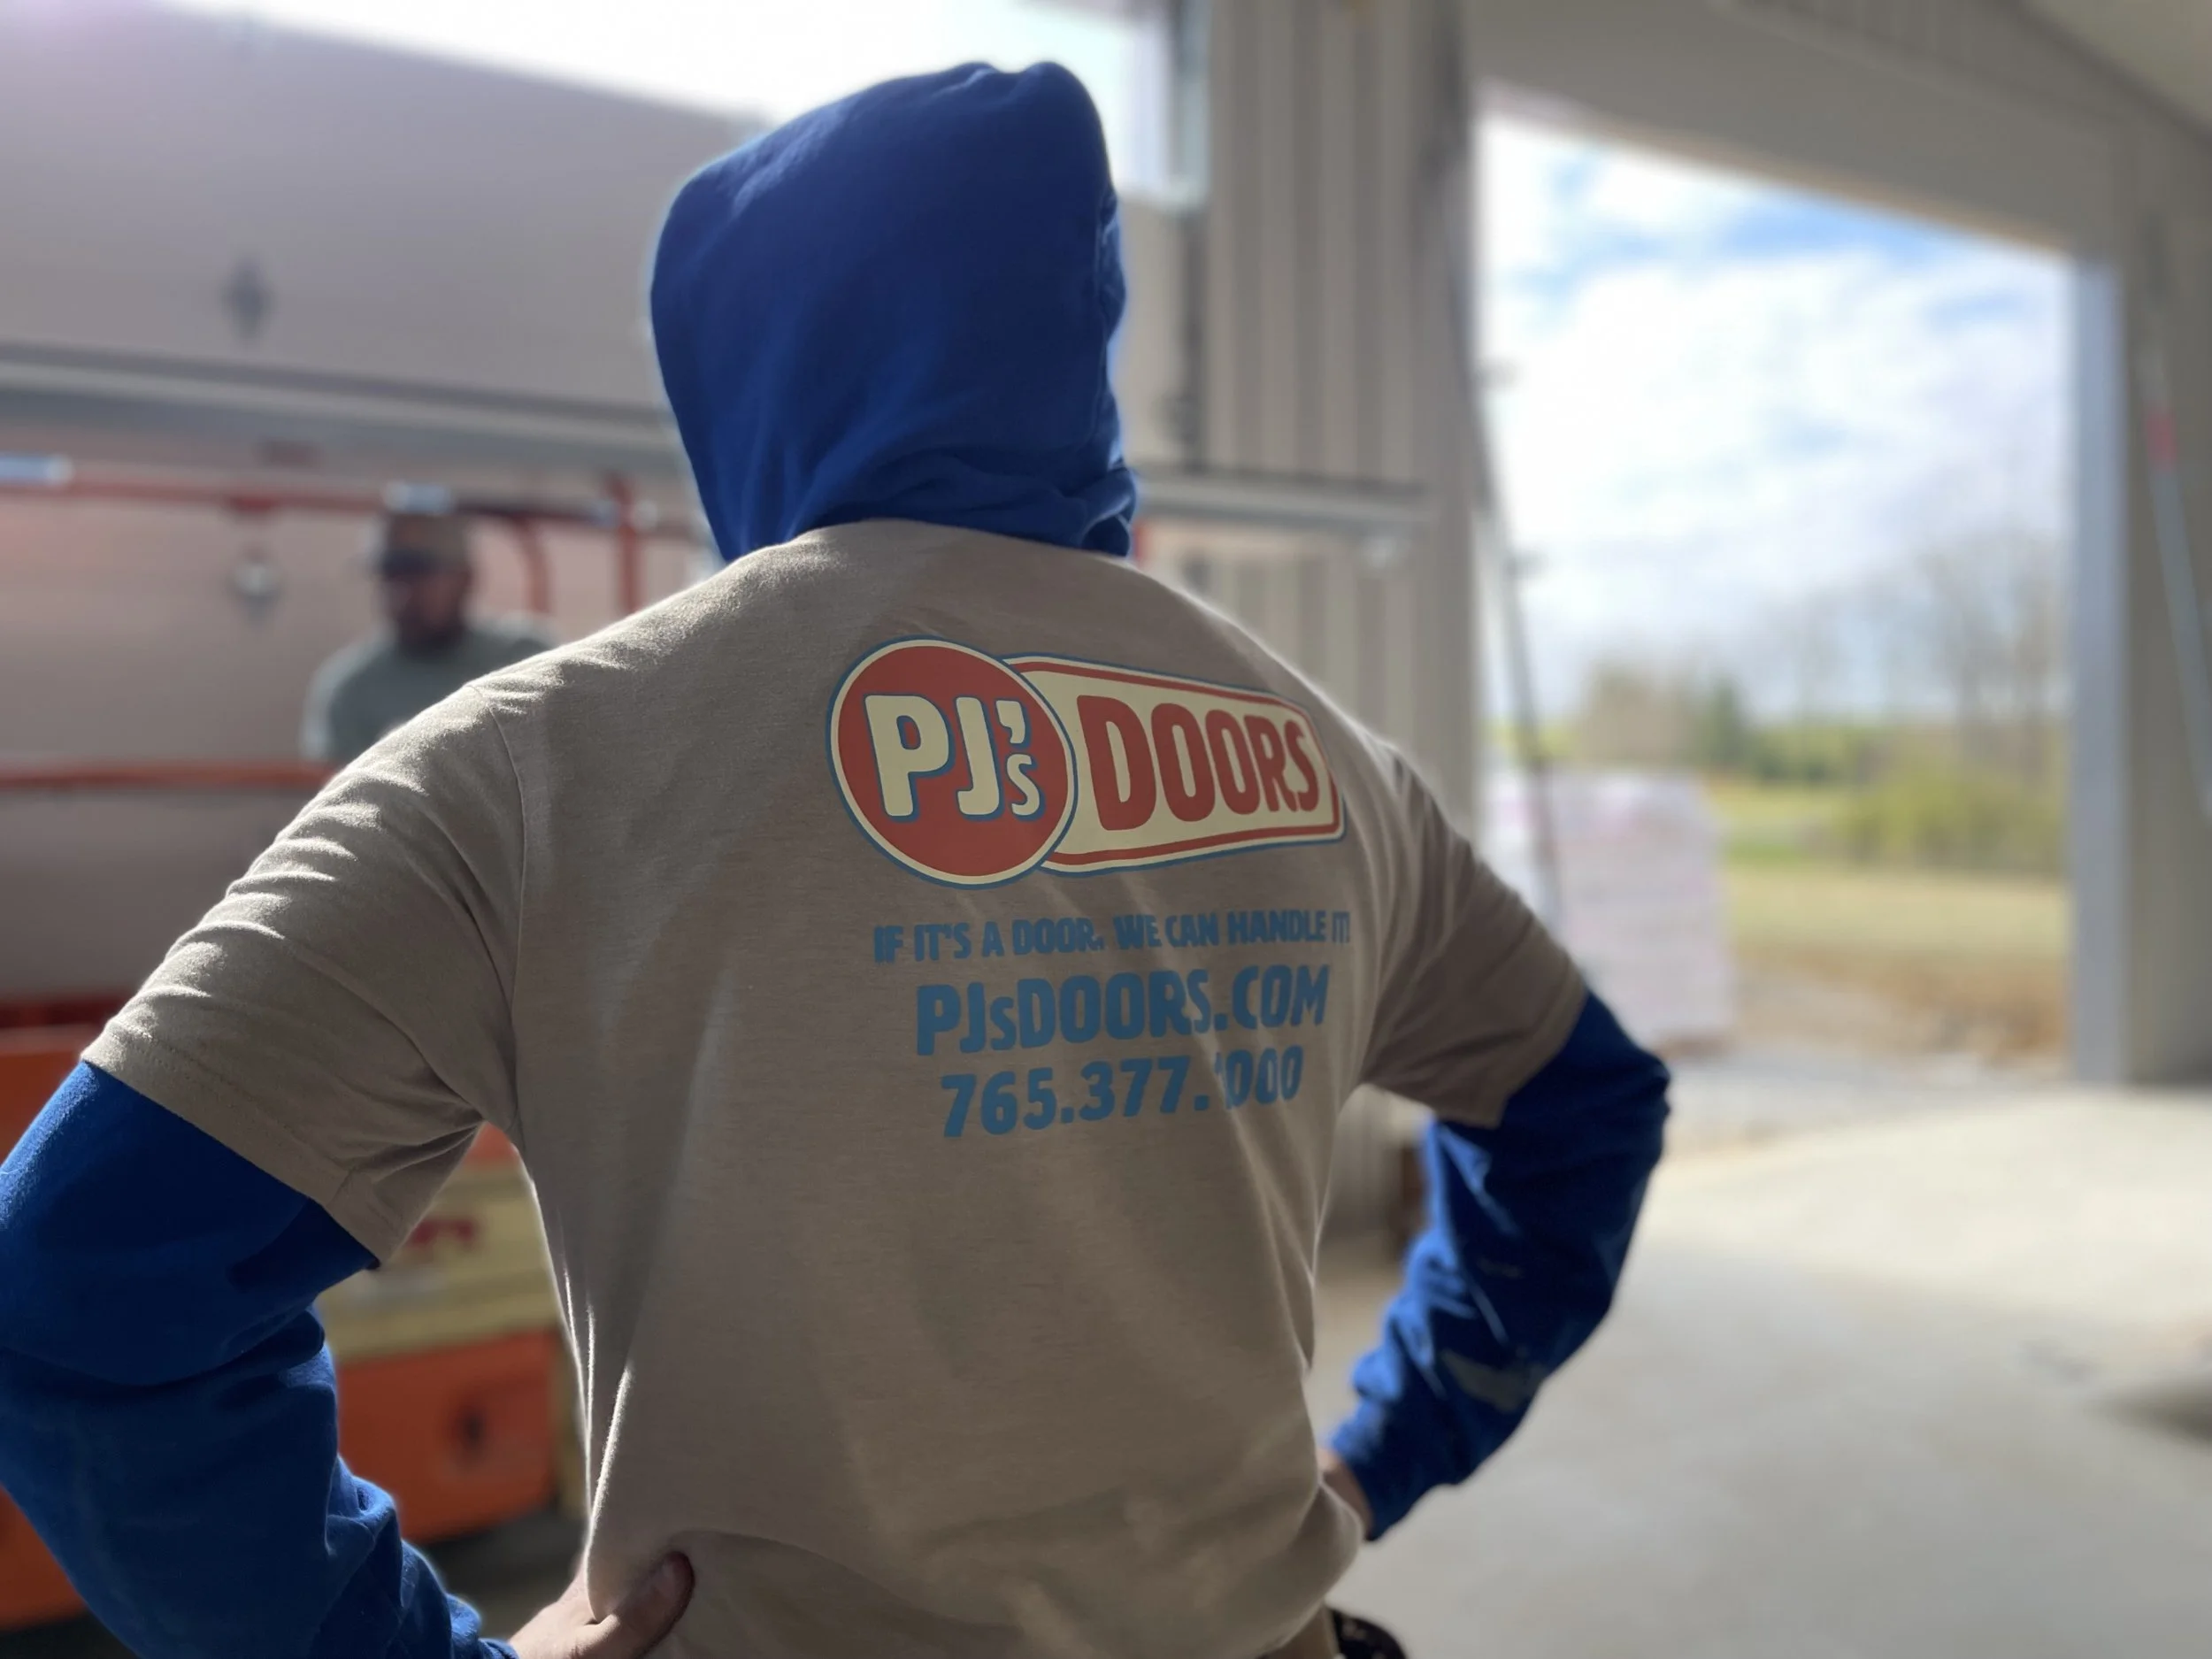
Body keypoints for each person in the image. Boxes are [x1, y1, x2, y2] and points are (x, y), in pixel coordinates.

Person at [0, 63, 1667, 1659]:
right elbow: (1583, 1107)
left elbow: (70, 1292)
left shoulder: (535, 766)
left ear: (737, 366)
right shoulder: (1330, 765)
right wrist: (1388, 1447)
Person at [302, 511, 552, 768]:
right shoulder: (351, 689)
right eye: (390, 574)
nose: (402, 593)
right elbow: (339, 798)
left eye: (418, 572)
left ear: (466, 577)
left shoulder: (524, 660)